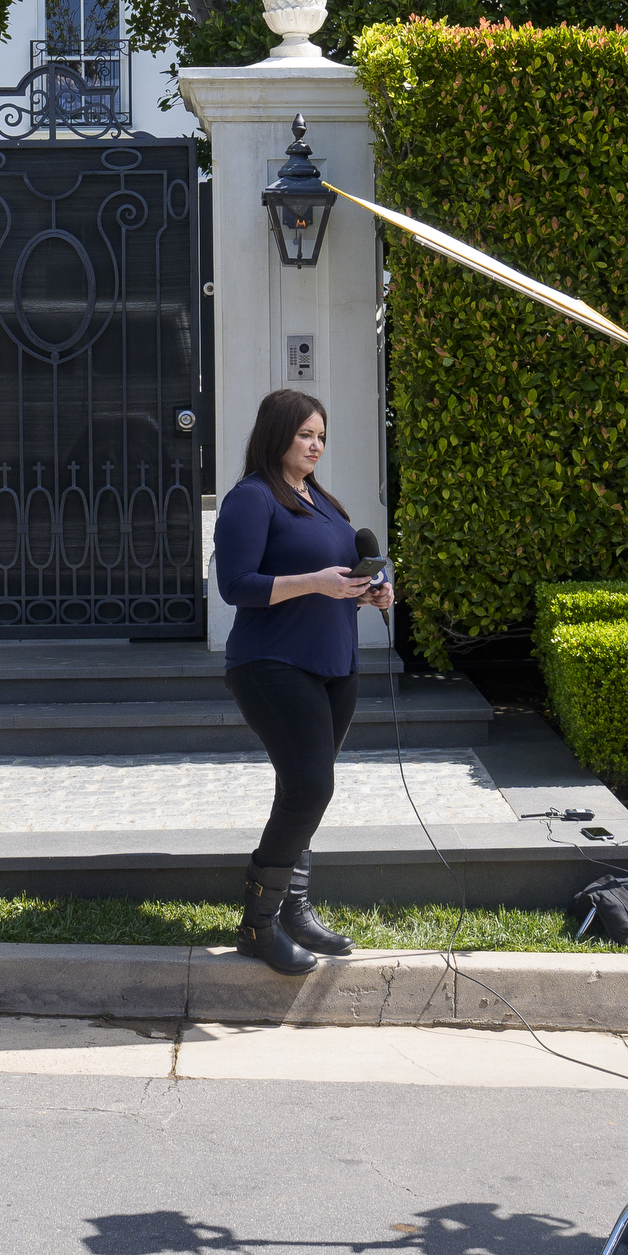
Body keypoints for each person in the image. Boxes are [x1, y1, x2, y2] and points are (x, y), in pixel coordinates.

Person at [213, 388, 395, 976]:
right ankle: (258, 924)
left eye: (321, 436)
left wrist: (373, 590)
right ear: (278, 435)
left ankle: (293, 907)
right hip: (271, 663)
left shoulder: (322, 501)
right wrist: (312, 581)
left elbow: (344, 571)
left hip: (334, 665)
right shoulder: (252, 499)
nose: (315, 445)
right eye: (304, 435)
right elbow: (235, 586)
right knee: (312, 786)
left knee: (300, 788)